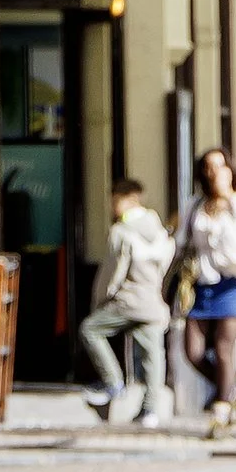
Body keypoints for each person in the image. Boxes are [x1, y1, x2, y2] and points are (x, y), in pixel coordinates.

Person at [171, 147, 236, 438]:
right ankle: (227, 389)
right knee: (192, 350)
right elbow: (182, 246)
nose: (215, 172)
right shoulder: (195, 206)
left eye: (220, 166)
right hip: (203, 285)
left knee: (224, 345)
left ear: (231, 170)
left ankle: (221, 409)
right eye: (208, 166)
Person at [81, 180, 173, 426]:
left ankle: (114, 382)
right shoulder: (158, 229)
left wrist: (100, 299)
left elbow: (113, 273)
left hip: (127, 299)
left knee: (90, 329)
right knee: (153, 355)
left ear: (129, 199)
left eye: (115, 201)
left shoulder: (121, 231)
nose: (112, 206)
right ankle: (150, 410)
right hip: (152, 300)